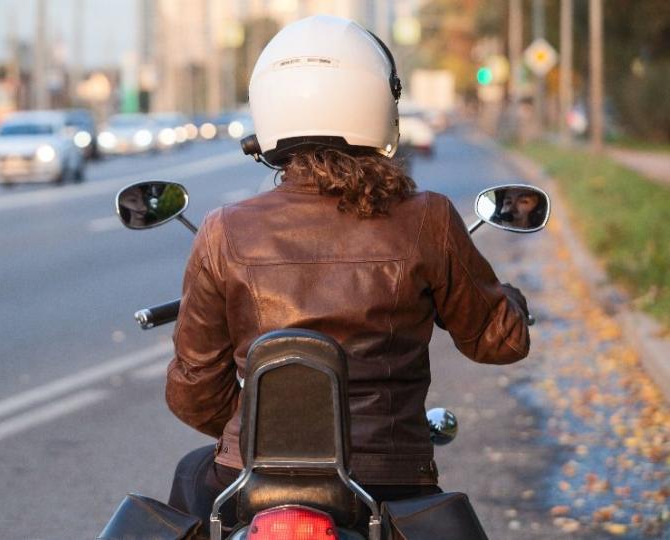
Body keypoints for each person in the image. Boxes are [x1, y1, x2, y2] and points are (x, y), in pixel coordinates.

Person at [164, 15, 531, 533]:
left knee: (188, 476)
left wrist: (262, 429)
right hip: (389, 477)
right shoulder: (428, 217)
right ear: (382, 101)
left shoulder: (223, 230)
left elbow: (192, 389)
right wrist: (509, 300)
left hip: (252, 480)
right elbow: (499, 344)